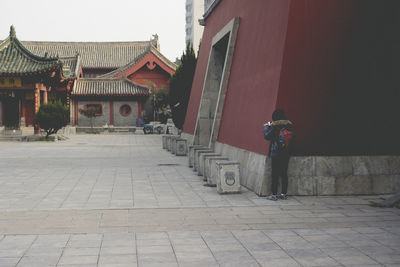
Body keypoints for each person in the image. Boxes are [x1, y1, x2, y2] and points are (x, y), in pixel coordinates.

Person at [263, 109, 293, 201]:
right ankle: (283, 194)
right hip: (286, 153)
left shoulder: (273, 125)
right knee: (284, 173)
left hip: (275, 153)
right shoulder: (288, 125)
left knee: (275, 174)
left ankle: (274, 194)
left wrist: (271, 126)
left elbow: (267, 136)